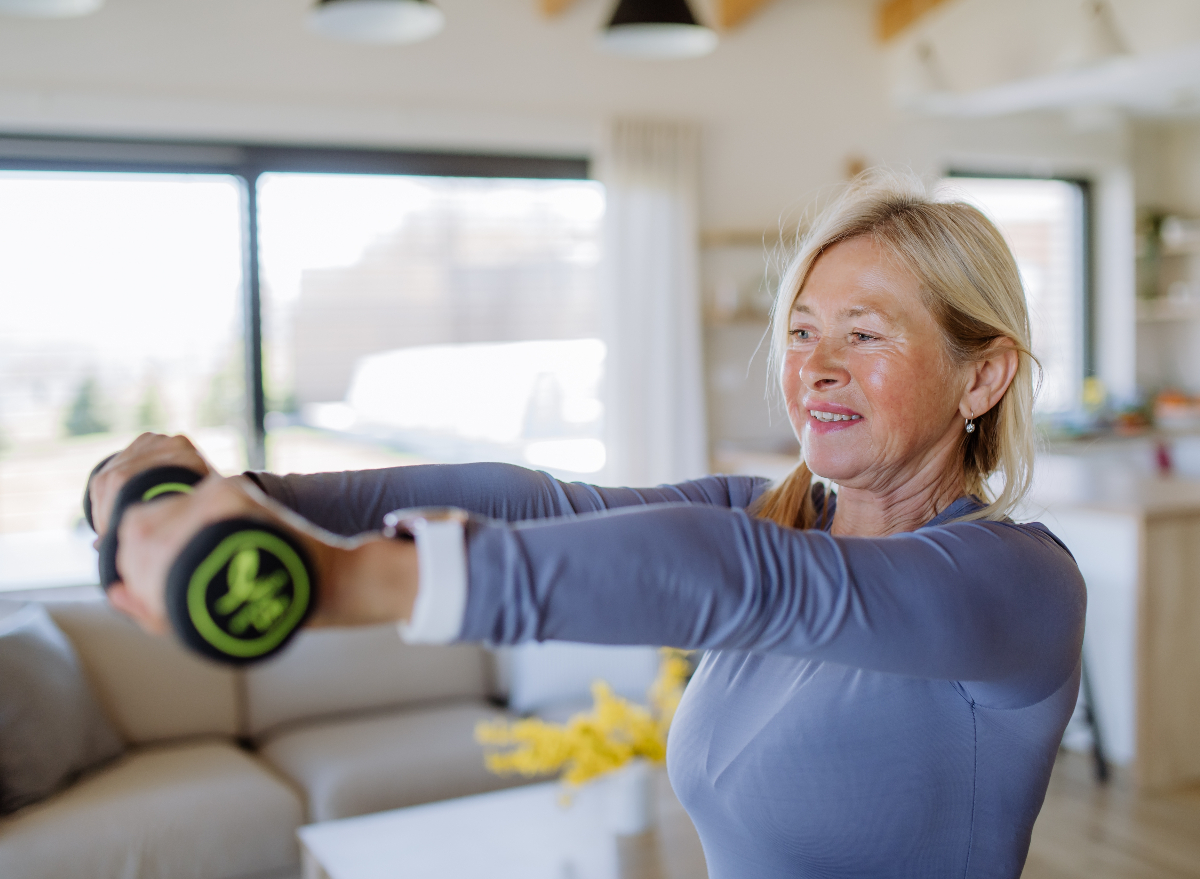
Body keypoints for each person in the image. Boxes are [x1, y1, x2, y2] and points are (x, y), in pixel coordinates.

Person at [90, 173, 1085, 879]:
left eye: (863, 334)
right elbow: (536, 501)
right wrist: (239, 498)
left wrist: (357, 582)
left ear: (982, 375)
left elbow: (740, 578)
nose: (815, 365)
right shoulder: (777, 519)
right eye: (800, 330)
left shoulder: (1014, 585)